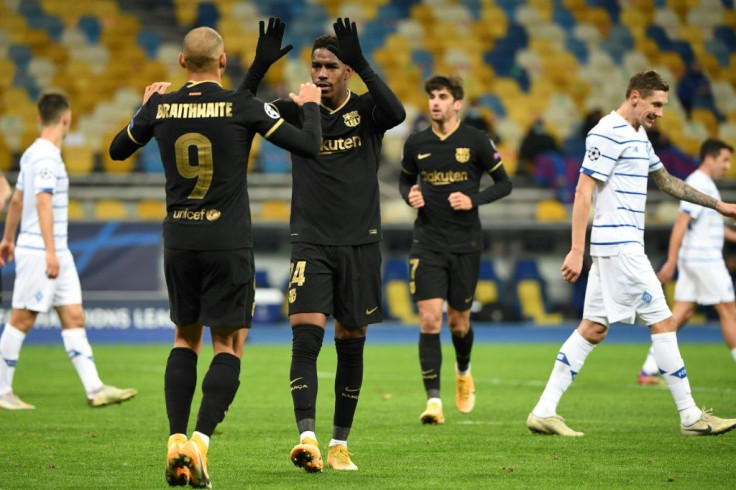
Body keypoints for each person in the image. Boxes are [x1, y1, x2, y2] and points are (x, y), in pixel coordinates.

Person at [108, 24, 323, 488]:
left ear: (182, 62)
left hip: (179, 240)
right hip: (226, 242)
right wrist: (309, 107)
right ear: (223, 62)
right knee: (229, 345)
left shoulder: (161, 107)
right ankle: (200, 444)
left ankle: (174, 440)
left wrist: (144, 108)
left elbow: (118, 148)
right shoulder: (240, 105)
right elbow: (309, 146)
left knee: (185, 339)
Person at [526, 70, 736, 437]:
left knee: (592, 329)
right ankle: (690, 416)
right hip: (619, 247)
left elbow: (666, 181)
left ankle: (544, 410)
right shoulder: (607, 131)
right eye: (656, 104)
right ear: (635, 96)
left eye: (664, 106)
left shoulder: (639, 136)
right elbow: (582, 191)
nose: (661, 112)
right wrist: (577, 250)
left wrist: (718, 205)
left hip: (621, 247)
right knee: (665, 321)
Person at [241, 17, 405, 472]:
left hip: (360, 243)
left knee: (351, 341)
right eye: (316, 65)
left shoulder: (368, 111)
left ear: (346, 70)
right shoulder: (296, 111)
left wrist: (363, 61)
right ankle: (308, 438)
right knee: (305, 337)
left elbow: (397, 114)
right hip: (310, 242)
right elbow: (239, 111)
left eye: (331, 66)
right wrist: (257, 67)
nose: (321, 73)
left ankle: (339, 443)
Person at [0, 92, 137, 411]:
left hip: (53, 249)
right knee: (22, 318)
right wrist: (50, 252)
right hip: (42, 250)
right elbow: (42, 202)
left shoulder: (32, 153)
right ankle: (2, 389)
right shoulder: (47, 157)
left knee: (74, 316)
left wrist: (7, 239)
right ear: (67, 119)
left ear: (38, 118)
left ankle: (95, 388)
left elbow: (18, 200)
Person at [398, 75, 512, 425]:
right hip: (427, 242)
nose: (435, 102)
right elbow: (405, 179)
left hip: (465, 244)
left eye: (443, 96)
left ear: (457, 103)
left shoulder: (476, 141)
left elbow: (505, 183)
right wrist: (409, 195)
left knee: (459, 323)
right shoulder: (416, 143)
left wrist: (473, 199)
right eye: (431, 96)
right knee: (431, 319)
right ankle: (433, 401)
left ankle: (464, 370)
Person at [638, 139, 736, 385]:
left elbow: (706, 225)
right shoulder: (698, 183)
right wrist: (671, 260)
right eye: (724, 159)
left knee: (681, 313)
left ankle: (649, 369)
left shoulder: (707, 185)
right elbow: (682, 222)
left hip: (696, 258)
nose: (728, 166)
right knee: (729, 311)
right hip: (704, 259)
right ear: (709, 158)